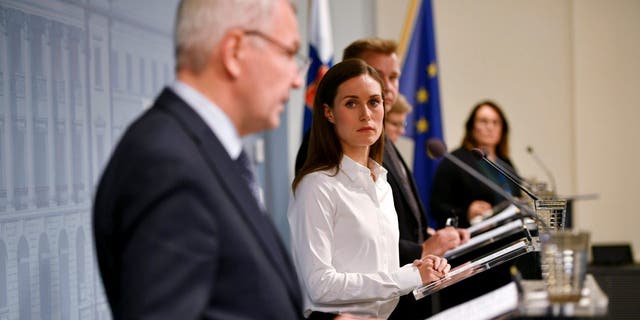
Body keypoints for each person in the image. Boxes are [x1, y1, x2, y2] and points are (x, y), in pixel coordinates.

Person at [93, 0, 310, 318]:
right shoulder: (166, 165)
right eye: (289, 53)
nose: (296, 80)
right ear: (234, 51)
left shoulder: (201, 153)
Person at [289, 58, 451, 319]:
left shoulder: (381, 181)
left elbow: (378, 269)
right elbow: (319, 285)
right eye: (351, 103)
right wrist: (407, 276)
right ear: (329, 112)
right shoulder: (317, 186)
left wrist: (423, 268)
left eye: (374, 102)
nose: (366, 114)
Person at [430, 100, 522, 228]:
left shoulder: (505, 162)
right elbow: (436, 207)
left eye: (496, 122)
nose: (490, 127)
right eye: (484, 121)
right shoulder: (455, 161)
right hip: (474, 237)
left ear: (503, 129)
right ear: (472, 127)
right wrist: (465, 213)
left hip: (510, 234)